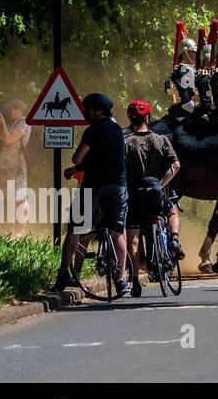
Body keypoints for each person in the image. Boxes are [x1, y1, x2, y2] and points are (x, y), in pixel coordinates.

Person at [57, 94, 131, 296]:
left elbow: (77, 157)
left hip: (95, 186)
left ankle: (62, 275)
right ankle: (121, 280)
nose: (84, 112)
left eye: (86, 109)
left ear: (97, 111)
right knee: (117, 232)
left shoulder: (93, 131)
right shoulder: (118, 130)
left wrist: (76, 166)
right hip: (119, 187)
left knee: (75, 229)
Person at [123, 100, 181, 297]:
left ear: (130, 119)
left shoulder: (127, 142)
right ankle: (174, 239)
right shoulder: (161, 140)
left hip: (135, 196)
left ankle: (135, 281)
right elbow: (176, 166)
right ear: (148, 118)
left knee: (133, 239)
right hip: (156, 194)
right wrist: (161, 185)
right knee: (171, 211)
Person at [0, 99, 31, 236]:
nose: (9, 112)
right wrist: (0, 122)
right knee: (10, 198)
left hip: (17, 167)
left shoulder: (24, 123)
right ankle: (10, 231)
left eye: (11, 109)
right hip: (6, 167)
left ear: (18, 109)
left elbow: (9, 139)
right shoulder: (11, 123)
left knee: (20, 198)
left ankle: (20, 231)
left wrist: (3, 123)